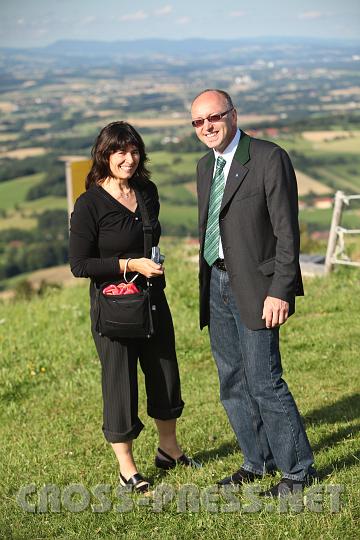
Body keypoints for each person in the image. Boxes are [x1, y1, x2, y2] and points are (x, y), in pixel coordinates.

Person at [191, 89, 316, 497]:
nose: (207, 126)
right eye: (198, 122)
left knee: (264, 380)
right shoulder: (202, 167)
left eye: (214, 117)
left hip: (259, 287)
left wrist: (280, 290)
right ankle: (256, 461)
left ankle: (298, 472)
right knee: (231, 379)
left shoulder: (267, 157)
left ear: (233, 114)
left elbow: (286, 231)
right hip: (217, 282)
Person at [69, 121, 199, 494]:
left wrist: (152, 263)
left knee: (164, 375)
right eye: (119, 152)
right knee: (120, 384)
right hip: (114, 308)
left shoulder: (146, 191)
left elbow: (150, 238)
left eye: (134, 151)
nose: (128, 159)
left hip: (152, 300)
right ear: (104, 155)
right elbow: (80, 265)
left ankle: (168, 450)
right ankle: (127, 468)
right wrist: (130, 265)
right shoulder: (90, 204)